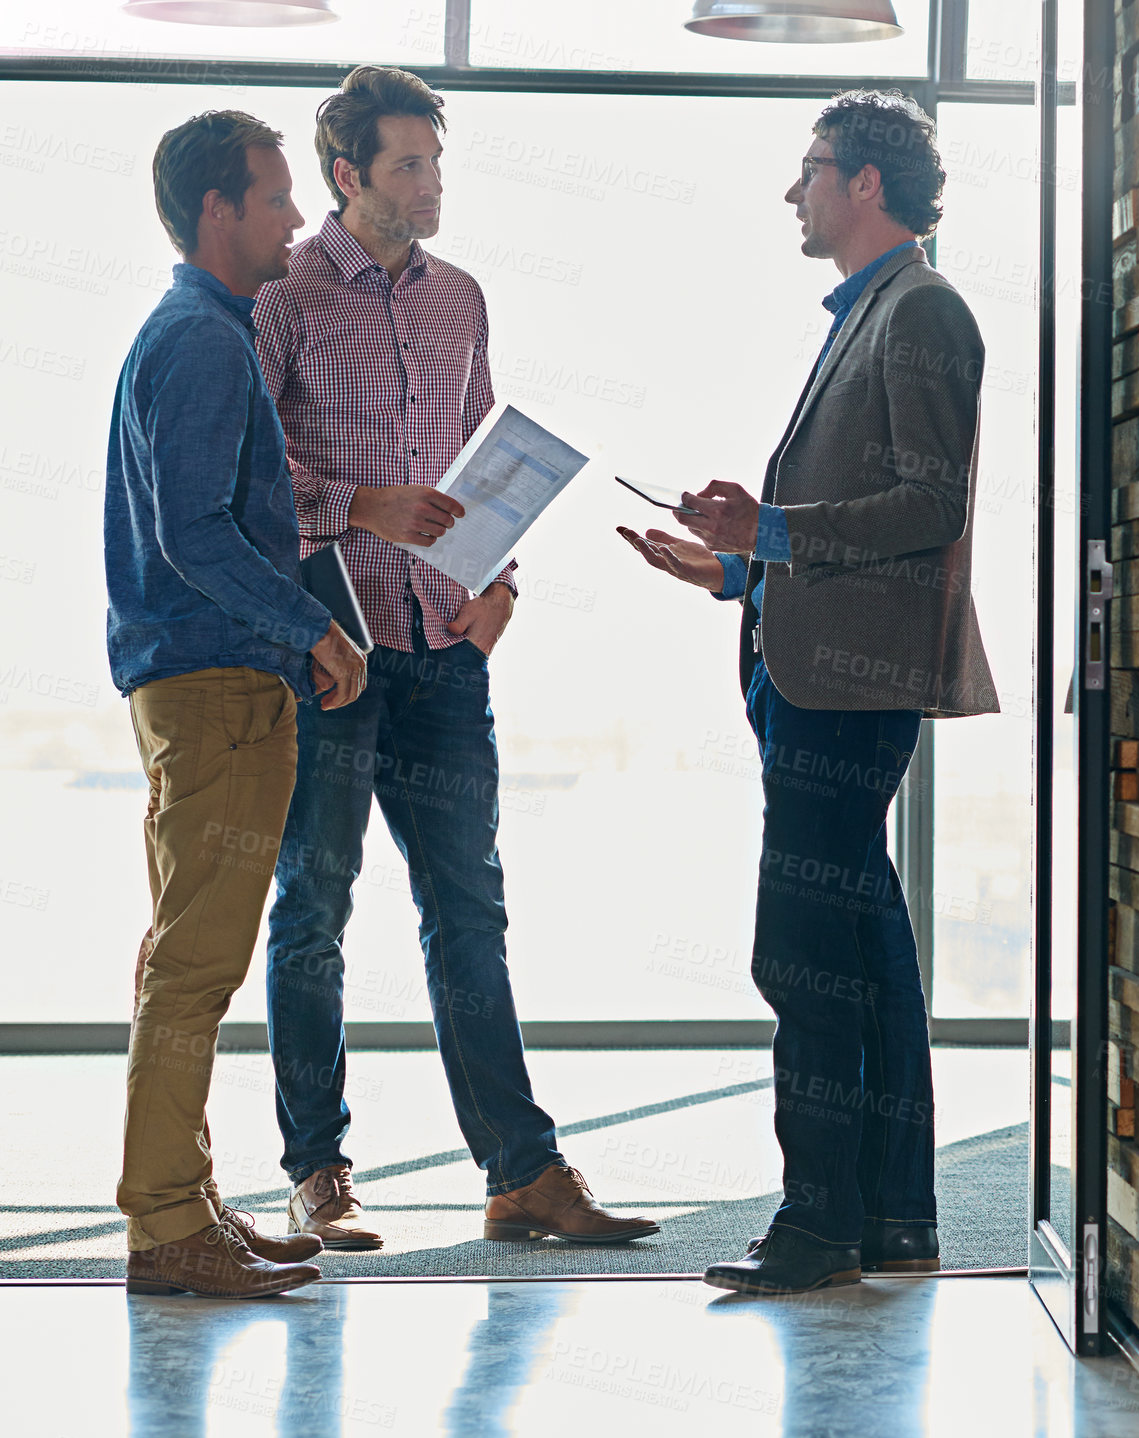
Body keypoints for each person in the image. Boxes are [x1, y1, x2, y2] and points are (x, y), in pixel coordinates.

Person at [254, 65, 657, 1250]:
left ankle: (522, 1173)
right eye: (408, 165)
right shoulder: (280, 295)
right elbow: (244, 478)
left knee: (469, 914)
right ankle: (317, 1171)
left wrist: (503, 584)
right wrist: (356, 507)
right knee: (314, 911)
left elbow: (484, 464)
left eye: (437, 161)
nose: (431, 183)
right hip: (333, 652)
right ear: (347, 175)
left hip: (446, 649)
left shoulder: (460, 300)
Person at [620, 90, 997, 1295]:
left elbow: (930, 506)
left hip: (846, 692)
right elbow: (863, 515)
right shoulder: (874, 312)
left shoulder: (922, 311)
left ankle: (820, 1221)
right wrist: (736, 565)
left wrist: (771, 525)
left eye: (811, 169)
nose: (795, 191)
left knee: (801, 952)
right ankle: (892, 1218)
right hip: (814, 675)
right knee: (862, 947)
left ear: (866, 183)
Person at [107, 109, 369, 1299]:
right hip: (216, 686)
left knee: (192, 956)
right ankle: (167, 1221)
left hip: (204, 681)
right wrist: (308, 622)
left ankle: (188, 1198)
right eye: (276, 195)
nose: (298, 216)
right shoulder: (206, 345)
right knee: (197, 966)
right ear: (218, 209)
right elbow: (194, 532)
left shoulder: (196, 331)